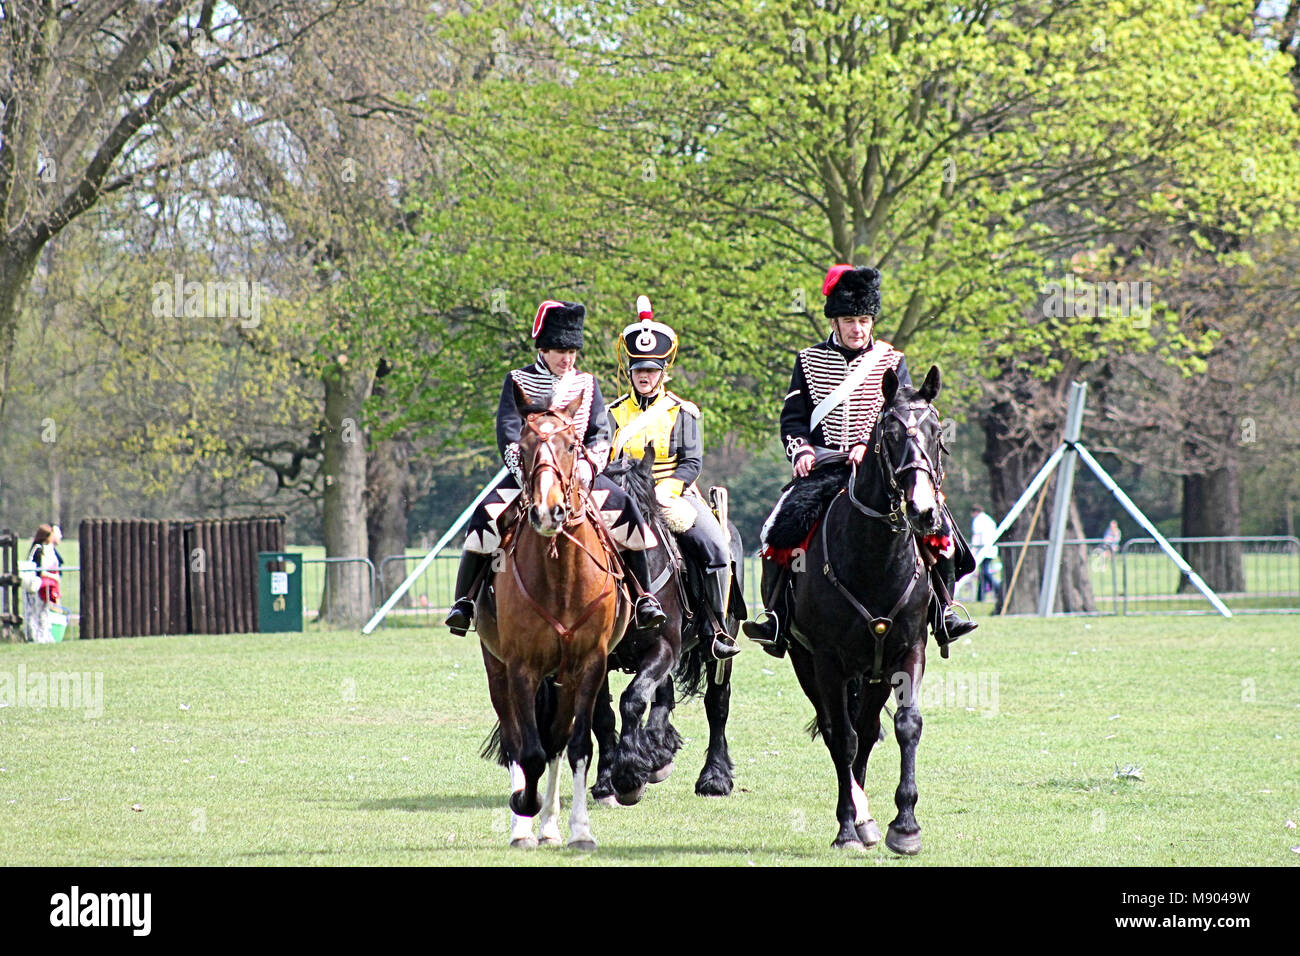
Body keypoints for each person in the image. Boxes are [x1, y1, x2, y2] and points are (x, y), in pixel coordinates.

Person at [742, 264, 977, 656]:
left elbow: (901, 414)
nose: (858, 329)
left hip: (882, 469)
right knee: (779, 529)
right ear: (835, 321)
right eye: (850, 320)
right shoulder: (807, 360)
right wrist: (800, 449)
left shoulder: (892, 360)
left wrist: (868, 448)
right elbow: (793, 420)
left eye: (864, 320)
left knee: (938, 527)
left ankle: (944, 610)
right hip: (825, 469)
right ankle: (776, 616)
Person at [444, 299, 666, 635]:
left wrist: (588, 469)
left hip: (579, 475)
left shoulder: (587, 384)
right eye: (561, 351)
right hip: (529, 473)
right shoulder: (517, 380)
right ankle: (465, 602)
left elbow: (599, 434)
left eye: (573, 351)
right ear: (543, 349)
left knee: (629, 511)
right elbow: (507, 434)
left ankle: (643, 597)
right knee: (484, 516)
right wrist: (528, 475)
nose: (568, 359)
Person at [607, 295, 740, 661]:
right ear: (630, 372)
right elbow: (603, 459)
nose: (645, 376)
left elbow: (692, 462)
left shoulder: (683, 412)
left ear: (664, 372)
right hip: (621, 498)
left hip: (672, 495)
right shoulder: (612, 413)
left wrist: (667, 489)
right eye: (638, 370)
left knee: (714, 545)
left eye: (652, 370)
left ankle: (715, 626)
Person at [23, 524, 60, 643]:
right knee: (37, 612)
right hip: (37, 585)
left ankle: (42, 636)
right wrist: (55, 577)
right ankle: (37, 637)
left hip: (39, 585)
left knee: (41, 611)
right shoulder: (39, 550)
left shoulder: (39, 548)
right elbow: (42, 572)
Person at [970, 505, 1002, 604]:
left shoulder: (978, 520)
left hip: (984, 549)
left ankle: (998, 588)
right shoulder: (989, 519)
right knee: (983, 573)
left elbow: (977, 536)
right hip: (991, 549)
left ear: (974, 512)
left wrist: (973, 551)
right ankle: (980, 596)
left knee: (985, 573)